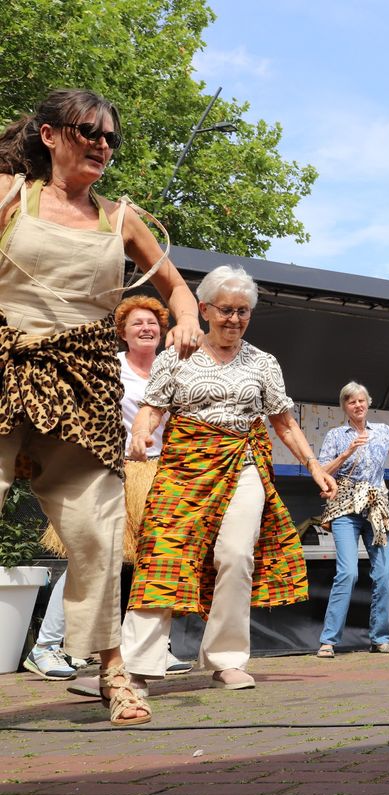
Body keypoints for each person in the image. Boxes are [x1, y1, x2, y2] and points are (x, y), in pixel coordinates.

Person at [0, 89, 204, 725]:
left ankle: (111, 670)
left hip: (83, 382)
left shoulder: (121, 218)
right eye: (89, 131)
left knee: (94, 535)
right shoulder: (11, 193)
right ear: (51, 135)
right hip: (4, 364)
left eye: (110, 137)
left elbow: (176, 287)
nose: (102, 145)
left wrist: (188, 318)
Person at [121, 265, 336, 691]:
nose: (234, 319)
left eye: (243, 311)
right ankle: (137, 665)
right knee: (162, 553)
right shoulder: (175, 356)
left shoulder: (263, 362)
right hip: (184, 465)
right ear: (203, 309)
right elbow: (152, 408)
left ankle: (225, 658)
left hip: (244, 461)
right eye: (225, 310)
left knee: (237, 555)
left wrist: (313, 465)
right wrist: (141, 432)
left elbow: (285, 423)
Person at [29, 297, 193, 683]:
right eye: (137, 323)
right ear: (123, 332)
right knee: (89, 557)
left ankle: (150, 649)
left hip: (160, 474)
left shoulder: (172, 369)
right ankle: (46, 646)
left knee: (156, 563)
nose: (146, 329)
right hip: (112, 470)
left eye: (152, 322)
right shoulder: (111, 368)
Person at [314, 382, 389, 657]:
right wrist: (346, 453)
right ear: (345, 407)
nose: (358, 405)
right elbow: (320, 470)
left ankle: (380, 638)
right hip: (344, 508)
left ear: (368, 403)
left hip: (375, 507)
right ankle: (328, 640)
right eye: (352, 402)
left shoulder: (383, 431)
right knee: (348, 572)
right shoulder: (336, 435)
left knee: (384, 574)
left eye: (362, 400)